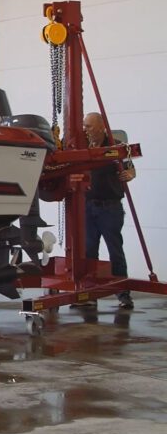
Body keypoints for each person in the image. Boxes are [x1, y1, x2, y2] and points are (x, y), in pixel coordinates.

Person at [82, 112, 136, 309]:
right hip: (87, 207)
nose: (85, 130)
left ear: (101, 126)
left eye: (89, 126)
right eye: (85, 126)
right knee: (88, 252)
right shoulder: (81, 145)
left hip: (110, 208)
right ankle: (89, 294)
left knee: (115, 250)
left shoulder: (117, 144)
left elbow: (131, 168)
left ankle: (123, 294)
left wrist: (129, 174)